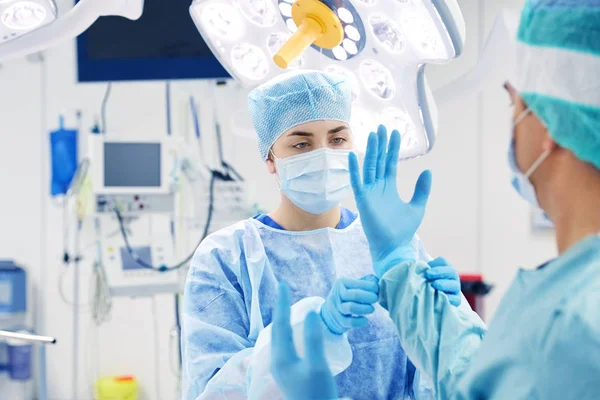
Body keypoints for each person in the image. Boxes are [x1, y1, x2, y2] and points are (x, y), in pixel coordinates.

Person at [270, 0, 600, 398]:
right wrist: (399, 265)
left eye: (515, 104)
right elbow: (478, 377)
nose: (511, 121)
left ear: (550, 124)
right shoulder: (569, 303)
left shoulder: (574, 327)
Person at [181, 70, 466, 399]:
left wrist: (444, 323)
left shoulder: (390, 245)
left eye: (337, 139)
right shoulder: (227, 258)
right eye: (301, 143)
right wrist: (312, 334)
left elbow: (439, 384)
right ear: (270, 159)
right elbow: (215, 391)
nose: (323, 154)